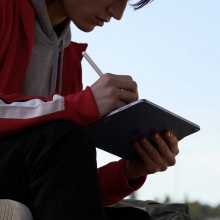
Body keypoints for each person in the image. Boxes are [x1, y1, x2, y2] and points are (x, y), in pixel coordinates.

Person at [0, 0, 179, 219]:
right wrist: (79, 105)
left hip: (21, 182)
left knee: (137, 218)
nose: (118, 13)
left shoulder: (69, 58)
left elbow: (67, 193)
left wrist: (129, 171)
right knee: (63, 139)